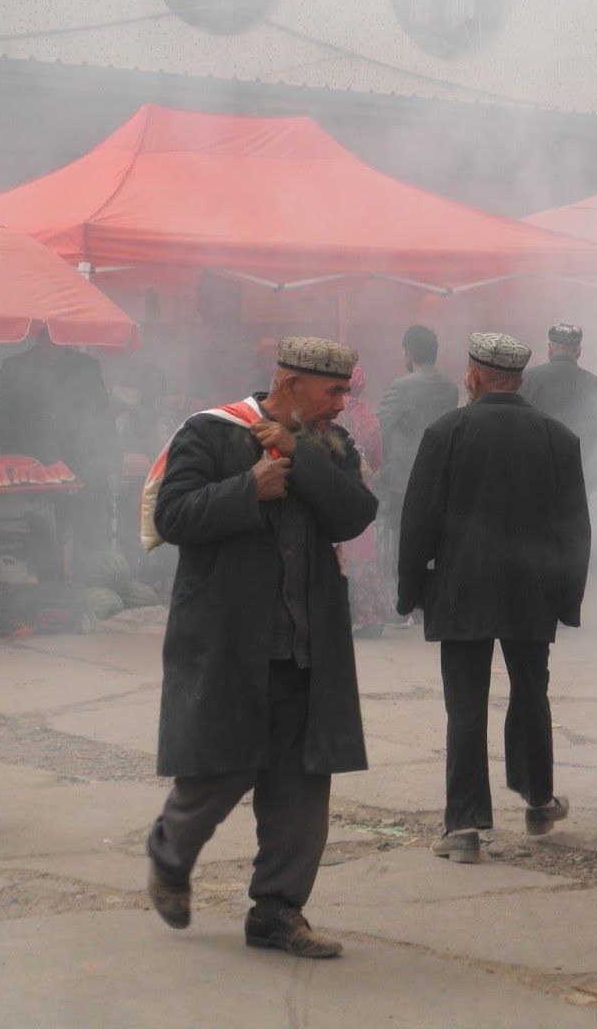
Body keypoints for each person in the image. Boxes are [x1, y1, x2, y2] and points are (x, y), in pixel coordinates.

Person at [145, 336, 376, 959]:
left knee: (303, 788)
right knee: (220, 769)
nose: (340, 406)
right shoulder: (210, 432)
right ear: (289, 380)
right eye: (332, 392)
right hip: (229, 637)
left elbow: (355, 514)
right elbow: (172, 516)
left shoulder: (330, 444)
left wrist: (300, 455)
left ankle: (277, 911)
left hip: (307, 645)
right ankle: (170, 853)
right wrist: (248, 488)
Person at [397, 333, 589, 863]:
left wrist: (410, 590)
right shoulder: (558, 436)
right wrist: (569, 598)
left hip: (462, 588)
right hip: (533, 588)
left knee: (465, 706)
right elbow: (576, 526)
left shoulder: (446, 431)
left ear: (475, 376)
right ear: (521, 379)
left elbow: (418, 520)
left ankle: (463, 828)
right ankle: (538, 801)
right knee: (531, 693)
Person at [0, 327, 122, 570]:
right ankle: (47, 591)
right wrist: (12, 463)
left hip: (82, 464)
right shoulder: (14, 366)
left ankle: (82, 588)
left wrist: (111, 458)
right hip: (34, 468)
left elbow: (103, 416)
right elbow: (4, 421)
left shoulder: (87, 366)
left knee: (86, 541)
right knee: (41, 539)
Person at [373, 325, 459, 592]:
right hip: (440, 476)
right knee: (433, 539)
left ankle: (404, 600)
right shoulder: (450, 388)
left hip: (403, 477)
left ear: (408, 353)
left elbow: (379, 427)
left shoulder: (401, 387)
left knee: (401, 538)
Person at [519, 323, 597, 494]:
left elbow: (517, 427)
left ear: (550, 349)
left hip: (532, 473)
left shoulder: (526, 378)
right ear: (578, 351)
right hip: (578, 475)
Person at [339, 366, 392, 638]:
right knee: (363, 554)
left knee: (338, 553)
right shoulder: (368, 415)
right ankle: (371, 616)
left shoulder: (329, 409)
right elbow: (378, 457)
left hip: (335, 489)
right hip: (363, 491)